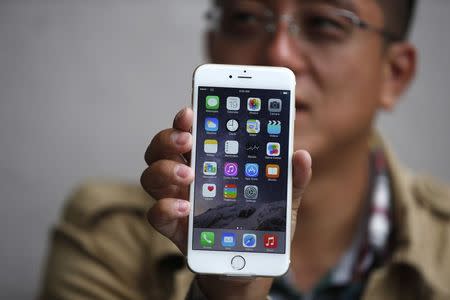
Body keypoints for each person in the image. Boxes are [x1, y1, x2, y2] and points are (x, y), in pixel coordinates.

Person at [39, 0, 450, 299]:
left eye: (326, 23)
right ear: (212, 42)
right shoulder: (106, 235)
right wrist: (229, 295)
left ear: (393, 74)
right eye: (245, 18)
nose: (277, 53)